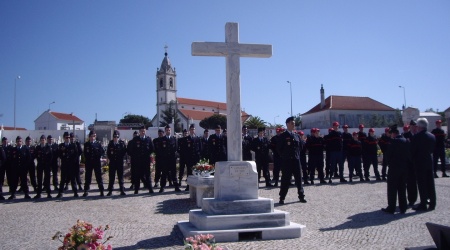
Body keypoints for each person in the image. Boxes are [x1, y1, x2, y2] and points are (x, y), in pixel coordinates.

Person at [276, 116, 306, 204]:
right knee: (285, 179)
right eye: (292, 123)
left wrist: (296, 155)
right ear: (287, 124)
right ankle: (282, 197)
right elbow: (279, 149)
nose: (294, 125)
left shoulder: (296, 135)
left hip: (296, 160)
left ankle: (301, 196)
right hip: (287, 161)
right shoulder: (283, 136)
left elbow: (300, 146)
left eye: (294, 123)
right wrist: (285, 156)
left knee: (299, 179)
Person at [382, 125, 411, 214]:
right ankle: (403, 207)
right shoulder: (406, 141)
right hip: (404, 168)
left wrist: (390, 163)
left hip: (394, 168)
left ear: (393, 134)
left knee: (392, 188)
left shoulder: (393, 142)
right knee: (402, 188)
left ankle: (391, 207)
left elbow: (388, 156)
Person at [411, 118, 437, 211]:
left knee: (422, 184)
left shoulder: (417, 137)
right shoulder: (432, 136)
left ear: (419, 127)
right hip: (429, 161)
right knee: (430, 183)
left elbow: (413, 151)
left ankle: (423, 203)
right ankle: (433, 203)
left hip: (419, 162)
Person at [127, 126, 155, 194]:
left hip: (146, 160)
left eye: (144, 131)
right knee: (137, 175)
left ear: (145, 131)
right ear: (139, 131)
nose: (143, 132)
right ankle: (136, 189)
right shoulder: (135, 139)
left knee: (147, 175)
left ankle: (150, 189)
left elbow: (152, 149)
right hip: (138, 160)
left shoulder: (148, 139)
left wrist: (150, 155)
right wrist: (134, 156)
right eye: (142, 131)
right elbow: (130, 150)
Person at [56, 132, 79, 198]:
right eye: (67, 137)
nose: (68, 139)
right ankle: (60, 192)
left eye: (69, 137)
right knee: (63, 180)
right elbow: (59, 154)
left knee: (73, 179)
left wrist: (73, 161)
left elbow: (76, 154)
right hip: (64, 164)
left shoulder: (73, 145)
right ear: (64, 138)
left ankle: (75, 192)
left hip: (71, 165)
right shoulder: (61, 146)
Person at [157, 125, 180, 193]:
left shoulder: (174, 139)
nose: (168, 131)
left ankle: (176, 186)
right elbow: (160, 149)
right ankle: (162, 187)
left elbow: (176, 148)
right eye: (167, 130)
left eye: (169, 130)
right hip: (165, 159)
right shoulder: (162, 139)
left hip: (172, 159)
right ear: (165, 131)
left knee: (174, 173)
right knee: (164, 173)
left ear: (171, 131)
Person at [82, 131, 105, 197]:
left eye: (94, 136)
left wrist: (99, 157)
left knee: (98, 177)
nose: (93, 137)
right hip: (89, 162)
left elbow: (102, 152)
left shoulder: (98, 144)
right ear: (89, 136)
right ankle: (86, 190)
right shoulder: (86, 144)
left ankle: (101, 190)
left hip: (96, 162)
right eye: (92, 136)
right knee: (88, 177)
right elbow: (85, 153)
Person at [106, 130, 127, 196]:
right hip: (112, 163)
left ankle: (122, 190)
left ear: (118, 137)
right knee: (111, 177)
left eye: (117, 137)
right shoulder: (111, 143)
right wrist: (110, 159)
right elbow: (108, 153)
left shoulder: (121, 143)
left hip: (119, 162)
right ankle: (110, 190)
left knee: (120, 177)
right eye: (114, 137)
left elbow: (124, 152)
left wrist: (121, 159)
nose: (115, 138)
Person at [181, 124, 201, 191]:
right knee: (189, 172)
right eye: (191, 129)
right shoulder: (186, 139)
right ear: (189, 130)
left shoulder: (198, 138)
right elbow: (184, 149)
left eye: (193, 129)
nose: (192, 131)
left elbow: (200, 148)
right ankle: (188, 185)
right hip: (189, 158)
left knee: (197, 172)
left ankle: (197, 185)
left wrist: (199, 156)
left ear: (195, 130)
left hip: (196, 158)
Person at [404, 120, 418, 206]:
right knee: (410, 182)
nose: (414, 128)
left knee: (421, 181)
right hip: (409, 162)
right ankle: (411, 199)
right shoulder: (405, 136)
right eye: (413, 126)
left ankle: (424, 198)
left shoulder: (419, 135)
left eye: (416, 126)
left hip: (418, 161)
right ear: (410, 127)